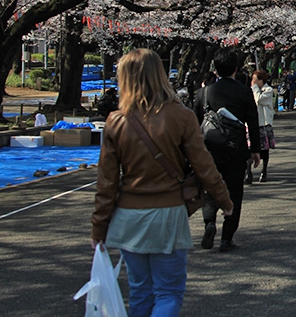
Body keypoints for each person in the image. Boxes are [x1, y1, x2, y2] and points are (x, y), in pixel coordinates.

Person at [91, 49, 233, 317]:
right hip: (168, 215)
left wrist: (98, 228)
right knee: (168, 292)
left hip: (129, 217)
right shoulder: (182, 116)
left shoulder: (115, 122)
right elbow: (204, 166)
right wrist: (224, 201)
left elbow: (106, 183)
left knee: (139, 292)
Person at [194, 48, 261, 252]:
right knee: (234, 192)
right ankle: (227, 237)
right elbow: (253, 121)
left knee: (210, 188)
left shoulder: (203, 93)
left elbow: (195, 123)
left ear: (215, 68)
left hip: (209, 150)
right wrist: (255, 149)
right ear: (235, 68)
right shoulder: (243, 91)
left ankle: (209, 223)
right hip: (236, 149)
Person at [249, 70, 275, 184]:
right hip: (253, 123)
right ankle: (248, 172)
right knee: (249, 149)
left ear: (261, 80)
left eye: (255, 79)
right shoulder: (252, 90)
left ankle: (264, 171)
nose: (253, 81)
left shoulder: (268, 90)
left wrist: (254, 88)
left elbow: (259, 99)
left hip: (264, 123)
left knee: (264, 149)